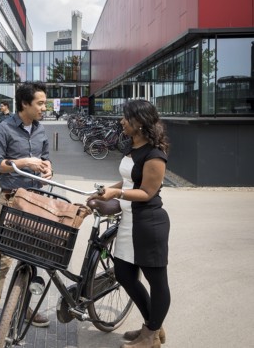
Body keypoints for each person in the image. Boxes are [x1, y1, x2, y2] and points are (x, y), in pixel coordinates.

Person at [88, 99, 170, 348]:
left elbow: (146, 192)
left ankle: (151, 334)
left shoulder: (155, 155)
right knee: (124, 274)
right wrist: (104, 191)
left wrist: (116, 195)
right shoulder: (132, 148)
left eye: (126, 118)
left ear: (139, 122)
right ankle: (152, 326)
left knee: (157, 282)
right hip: (129, 223)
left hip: (148, 225)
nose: (121, 121)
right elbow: (126, 182)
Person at [0, 82, 53, 341]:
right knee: (4, 259)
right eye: (41, 103)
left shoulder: (41, 129)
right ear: (25, 104)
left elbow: (46, 157)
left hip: (37, 199)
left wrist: (48, 169)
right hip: (12, 199)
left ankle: (21, 307)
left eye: (44, 103)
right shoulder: (3, 129)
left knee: (31, 257)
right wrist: (21, 163)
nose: (45, 107)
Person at [0, 101, 12, 179]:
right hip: (0, 138)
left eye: (2, 106)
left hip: (9, 139)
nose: (0, 107)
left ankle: (8, 172)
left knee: (9, 156)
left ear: (6, 106)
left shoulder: (12, 116)